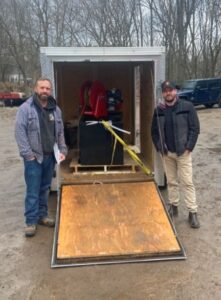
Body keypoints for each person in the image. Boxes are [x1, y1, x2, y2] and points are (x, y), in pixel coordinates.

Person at [15, 77, 67, 237]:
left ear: (50, 91)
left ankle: (42, 216)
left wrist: (62, 149)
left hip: (50, 156)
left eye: (47, 88)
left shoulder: (55, 109)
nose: (45, 91)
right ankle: (31, 221)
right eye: (42, 88)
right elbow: (19, 132)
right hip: (34, 158)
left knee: (44, 188)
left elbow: (59, 132)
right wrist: (27, 154)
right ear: (36, 89)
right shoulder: (26, 108)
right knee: (32, 189)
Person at [151, 80, 200, 228]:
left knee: (187, 182)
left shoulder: (187, 107)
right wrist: (160, 148)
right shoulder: (158, 110)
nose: (168, 93)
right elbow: (154, 132)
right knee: (172, 182)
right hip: (167, 154)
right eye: (165, 91)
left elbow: (195, 128)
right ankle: (174, 207)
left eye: (171, 90)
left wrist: (189, 147)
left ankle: (193, 212)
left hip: (183, 153)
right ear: (162, 93)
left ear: (176, 91)